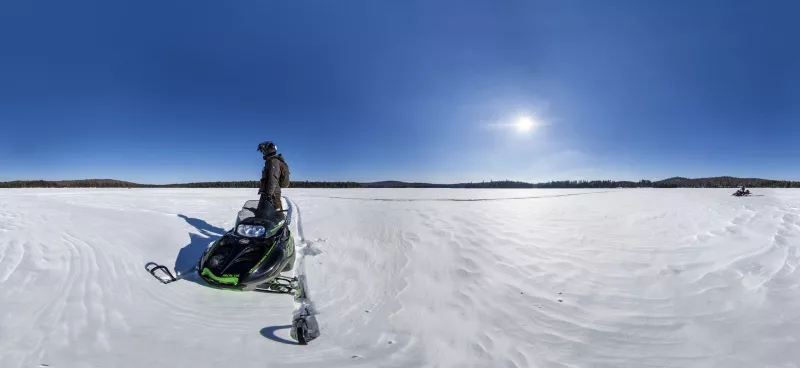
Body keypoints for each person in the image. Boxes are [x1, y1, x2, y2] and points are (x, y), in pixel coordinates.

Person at [256, 141, 290, 214]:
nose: (263, 152)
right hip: (269, 193)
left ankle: (283, 225)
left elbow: (273, 179)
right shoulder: (270, 162)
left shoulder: (273, 162)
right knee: (264, 214)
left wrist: (269, 194)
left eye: (263, 150)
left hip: (272, 194)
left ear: (268, 149)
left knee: (277, 215)